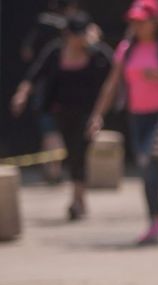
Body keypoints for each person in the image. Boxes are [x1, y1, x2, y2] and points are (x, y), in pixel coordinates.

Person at [87, 0, 158, 244]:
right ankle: (156, 218)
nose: (137, 25)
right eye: (134, 21)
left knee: (152, 162)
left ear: (155, 22)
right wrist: (97, 114)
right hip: (137, 117)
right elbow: (112, 84)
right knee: (148, 166)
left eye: (142, 21)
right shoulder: (127, 48)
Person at [11, 12, 112, 220]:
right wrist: (22, 94)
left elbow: (113, 76)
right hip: (59, 111)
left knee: (79, 152)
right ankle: (75, 194)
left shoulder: (97, 55)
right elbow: (35, 74)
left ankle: (77, 199)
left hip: (88, 113)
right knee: (67, 151)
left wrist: (99, 115)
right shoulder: (56, 52)